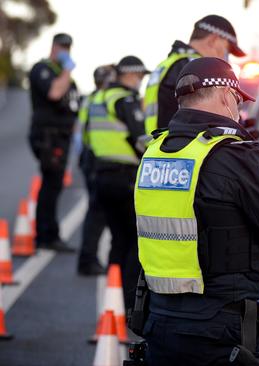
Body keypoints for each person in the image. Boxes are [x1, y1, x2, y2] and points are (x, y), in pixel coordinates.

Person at [134, 57, 259, 365]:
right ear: (224, 96)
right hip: (216, 328)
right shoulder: (234, 155)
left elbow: (200, 230)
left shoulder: (154, 154)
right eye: (237, 101)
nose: (239, 111)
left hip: (158, 321)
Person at [87, 56, 149, 309]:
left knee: (118, 240)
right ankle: (127, 303)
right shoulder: (125, 99)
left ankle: (112, 301)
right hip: (125, 178)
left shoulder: (99, 98)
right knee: (135, 242)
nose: (141, 82)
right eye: (141, 77)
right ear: (131, 75)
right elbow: (140, 138)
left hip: (102, 175)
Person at [143, 14, 245, 135]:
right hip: (185, 148)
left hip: (160, 146)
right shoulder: (196, 70)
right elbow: (207, 115)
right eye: (227, 50)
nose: (226, 57)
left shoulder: (165, 65)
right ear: (213, 40)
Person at [28, 33, 80, 252]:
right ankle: (46, 236)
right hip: (48, 135)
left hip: (63, 135)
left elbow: (74, 106)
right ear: (54, 46)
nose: (65, 50)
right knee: (51, 184)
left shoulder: (67, 77)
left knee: (55, 185)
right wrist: (67, 70)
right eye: (62, 46)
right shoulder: (42, 69)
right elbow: (54, 93)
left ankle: (48, 233)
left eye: (68, 47)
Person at [76, 64, 116, 275]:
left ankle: (90, 259)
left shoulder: (90, 99)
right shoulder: (104, 99)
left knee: (97, 212)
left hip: (90, 158)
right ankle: (88, 260)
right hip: (96, 159)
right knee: (97, 213)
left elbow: (80, 132)